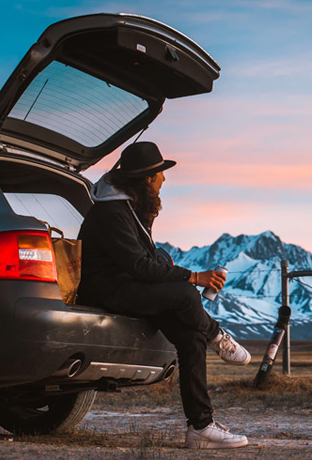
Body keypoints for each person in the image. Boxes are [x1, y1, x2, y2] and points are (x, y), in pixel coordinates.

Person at [76, 141, 251, 449]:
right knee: (186, 295)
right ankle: (217, 335)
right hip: (109, 292)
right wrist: (193, 278)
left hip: (130, 287)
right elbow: (140, 267)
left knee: (189, 337)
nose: (164, 180)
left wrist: (182, 272)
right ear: (146, 178)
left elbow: (150, 258)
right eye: (160, 174)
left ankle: (201, 428)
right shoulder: (111, 213)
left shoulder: (129, 208)